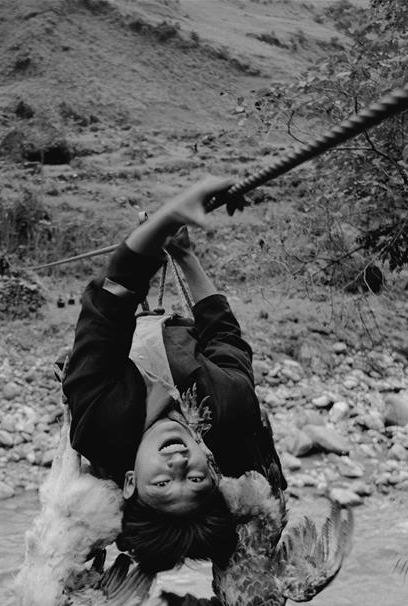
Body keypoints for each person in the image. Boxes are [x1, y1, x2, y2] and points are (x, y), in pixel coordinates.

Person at [62, 176, 285, 573]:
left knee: (87, 360)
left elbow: (108, 307)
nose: (178, 464)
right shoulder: (230, 407)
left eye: (163, 484)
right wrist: (183, 254)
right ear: (212, 467)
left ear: (130, 482)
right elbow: (222, 332)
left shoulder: (98, 425)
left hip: (109, 356)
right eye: (195, 481)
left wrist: (163, 223)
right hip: (178, 337)